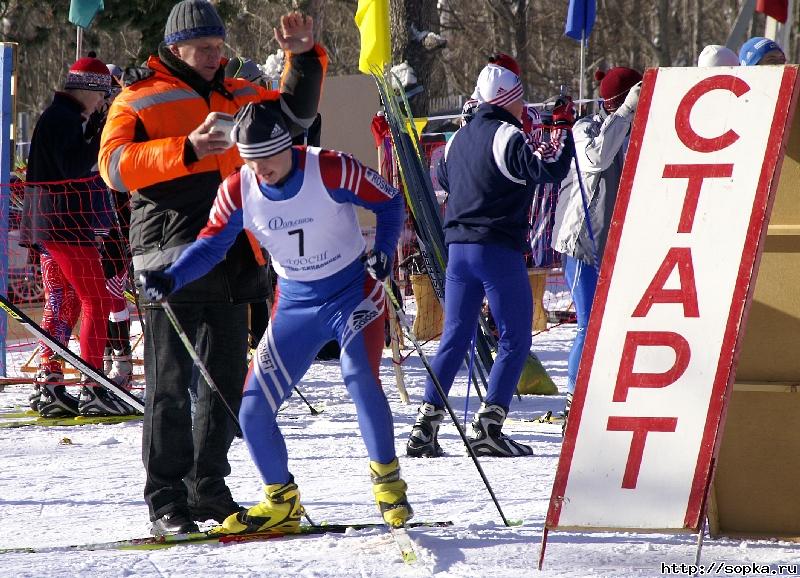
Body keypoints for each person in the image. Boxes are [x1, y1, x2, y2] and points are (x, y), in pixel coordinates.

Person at [99, 0, 327, 536]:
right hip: (169, 258)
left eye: (218, 46)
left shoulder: (241, 91)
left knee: (227, 383)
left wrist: (304, 58)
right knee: (171, 387)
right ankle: (167, 499)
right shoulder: (138, 97)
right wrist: (188, 148)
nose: (212, 56)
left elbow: (295, 116)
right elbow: (112, 168)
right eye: (203, 48)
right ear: (175, 47)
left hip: (236, 257)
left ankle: (209, 488)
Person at [140, 102, 410, 531]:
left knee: (359, 376)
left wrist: (383, 252)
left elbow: (390, 202)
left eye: (268, 157)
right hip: (295, 304)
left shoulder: (331, 168)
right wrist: (171, 279)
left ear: (290, 146)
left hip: (352, 294)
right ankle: (281, 500)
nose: (260, 169)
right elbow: (211, 246)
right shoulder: (237, 189)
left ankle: (388, 486)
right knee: (251, 412)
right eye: (251, 160)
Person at [405, 62, 575, 458]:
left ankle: (425, 426)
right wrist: (562, 128)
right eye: (520, 100)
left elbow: (446, 180)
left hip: (458, 251)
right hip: (495, 248)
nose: (524, 108)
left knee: (455, 337)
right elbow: (549, 168)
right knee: (515, 337)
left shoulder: (455, 139)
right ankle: (489, 426)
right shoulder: (507, 135)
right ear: (509, 101)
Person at [22, 56, 134, 417]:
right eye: (102, 97)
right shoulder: (64, 119)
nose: (102, 104)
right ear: (89, 90)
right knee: (97, 301)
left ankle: (50, 381)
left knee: (65, 303)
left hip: (51, 224)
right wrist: (102, 135)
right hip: (65, 226)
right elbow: (75, 166)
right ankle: (93, 385)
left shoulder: (60, 117)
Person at [551, 66, 643, 428]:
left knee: (614, 327)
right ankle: (574, 399)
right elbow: (597, 158)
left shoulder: (633, 130)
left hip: (612, 244)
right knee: (587, 326)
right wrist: (624, 112)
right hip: (581, 242)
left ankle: (603, 393)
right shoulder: (585, 128)